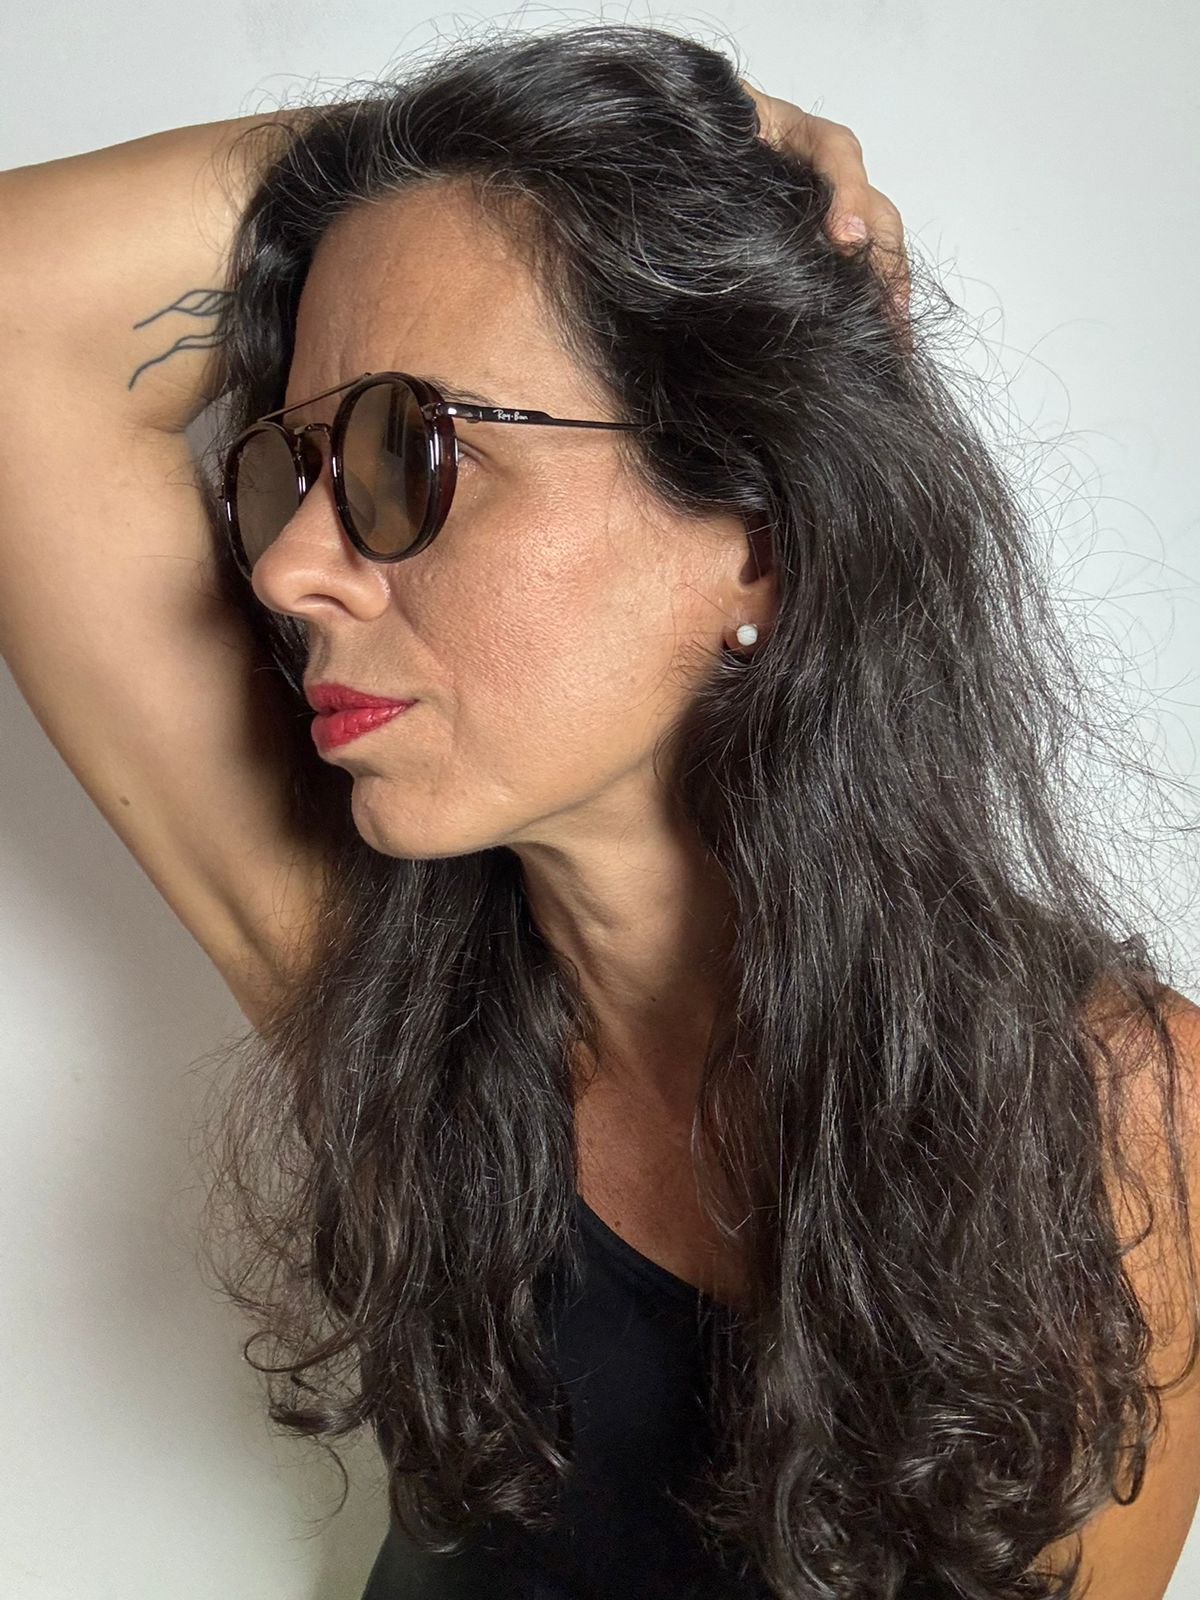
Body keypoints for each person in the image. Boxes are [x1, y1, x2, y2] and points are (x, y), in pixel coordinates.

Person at [1, 21, 1197, 1600]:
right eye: (294, 465)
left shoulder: (1119, 1117)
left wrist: (626, 172)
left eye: (409, 451)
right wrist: (640, 135)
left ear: (757, 534)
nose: (286, 568)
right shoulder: (392, 1014)